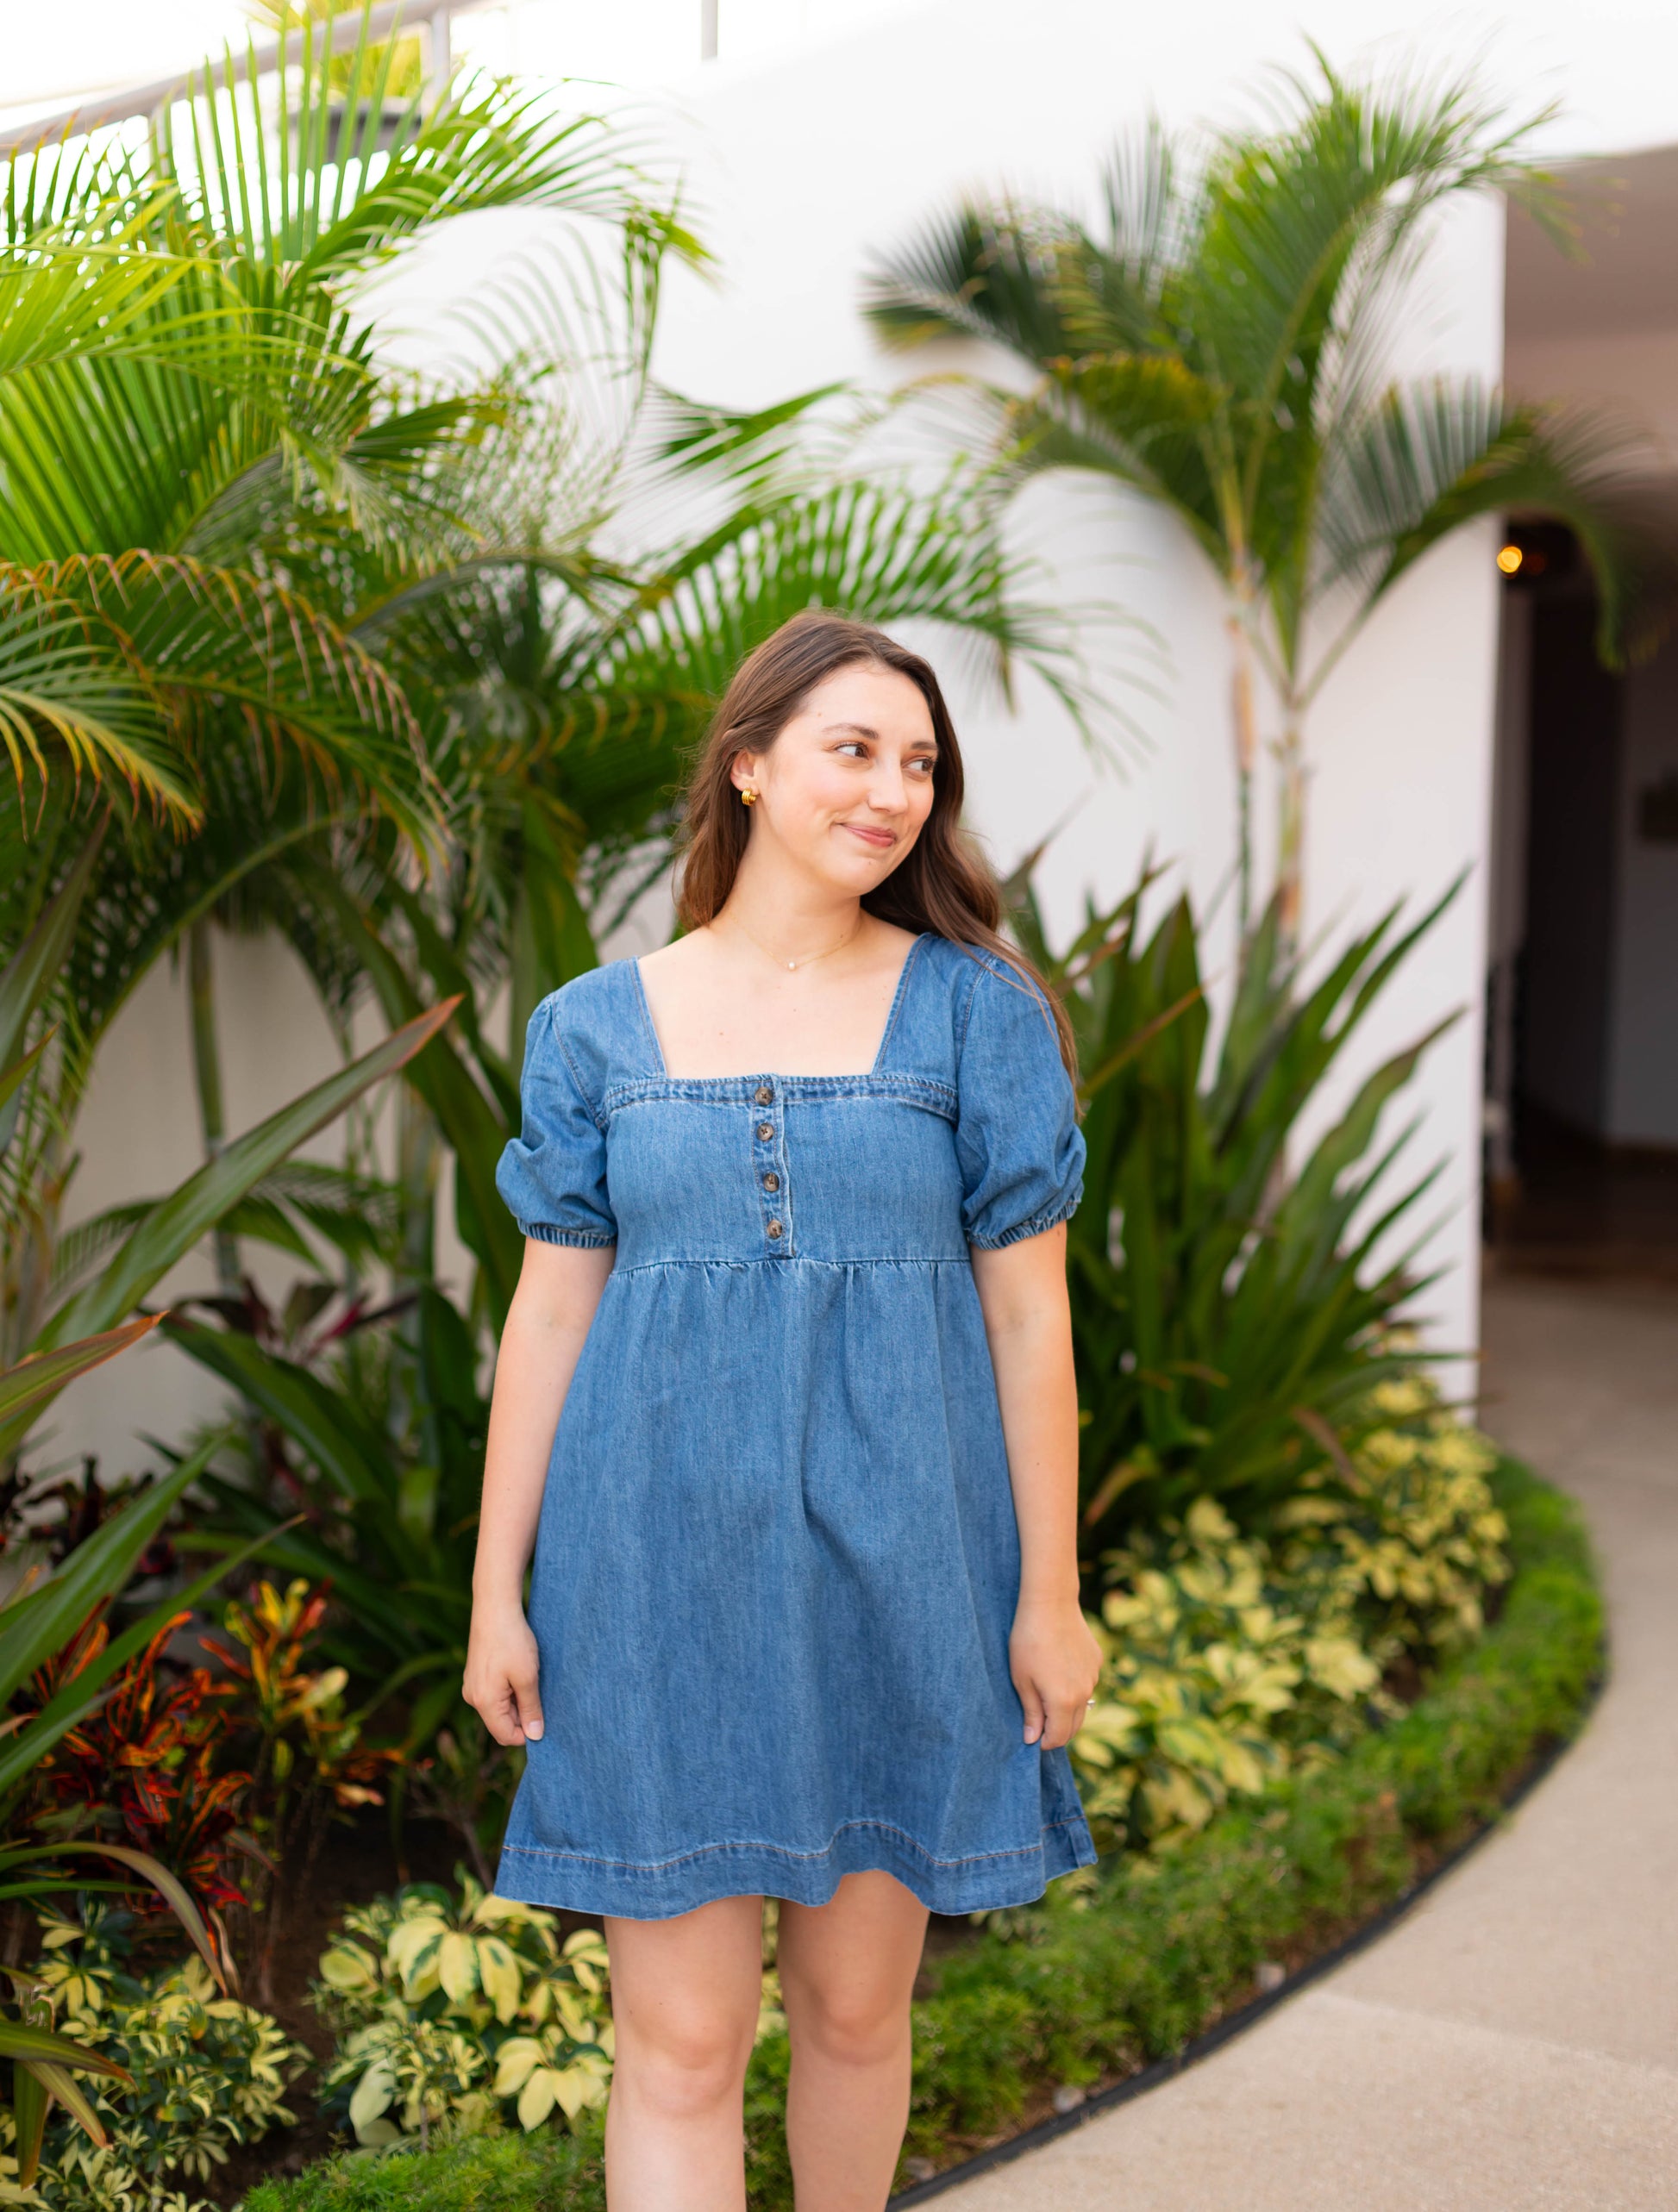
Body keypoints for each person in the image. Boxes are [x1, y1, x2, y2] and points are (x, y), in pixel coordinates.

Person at [464, 609, 1101, 2211]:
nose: (893, 791)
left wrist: (1049, 1593)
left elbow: (1031, 1316)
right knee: (676, 2044)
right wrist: (496, 1592)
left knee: (852, 2007)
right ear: (747, 767)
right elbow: (548, 1313)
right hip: (651, 1577)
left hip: (908, 1574)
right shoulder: (590, 1028)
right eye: (853, 749)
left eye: (920, 763)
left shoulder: (976, 1012)